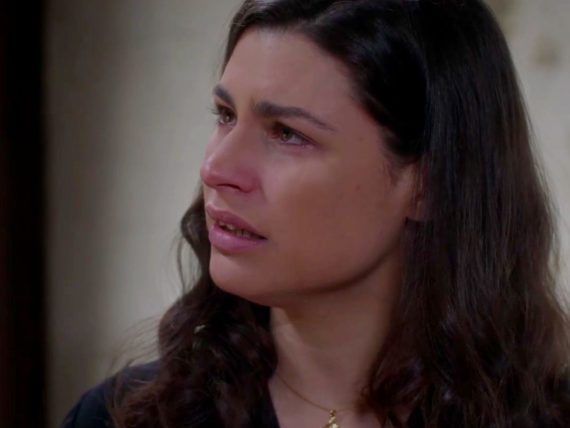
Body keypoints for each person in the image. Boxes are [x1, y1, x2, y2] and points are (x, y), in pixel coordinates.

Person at [61, 0, 570, 427]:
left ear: (429, 184)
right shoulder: (123, 417)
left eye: (287, 134)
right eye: (225, 115)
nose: (216, 169)